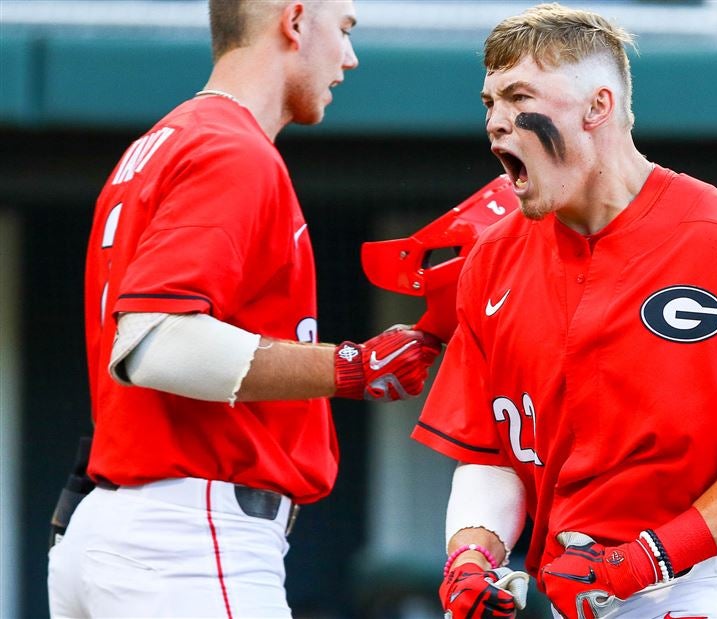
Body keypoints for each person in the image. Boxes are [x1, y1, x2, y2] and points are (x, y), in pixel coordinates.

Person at [410, 4, 717, 618]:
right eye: (489, 103)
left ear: (599, 106)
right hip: (573, 591)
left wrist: (648, 556)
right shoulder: (494, 256)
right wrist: (472, 556)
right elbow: (491, 452)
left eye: (518, 96)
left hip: (700, 581)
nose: (496, 123)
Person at [47, 1, 442, 616]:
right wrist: (350, 367)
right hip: (187, 537)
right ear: (295, 19)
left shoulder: (161, 142)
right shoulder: (232, 150)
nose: (350, 57)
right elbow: (154, 343)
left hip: (122, 525)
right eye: (343, 31)